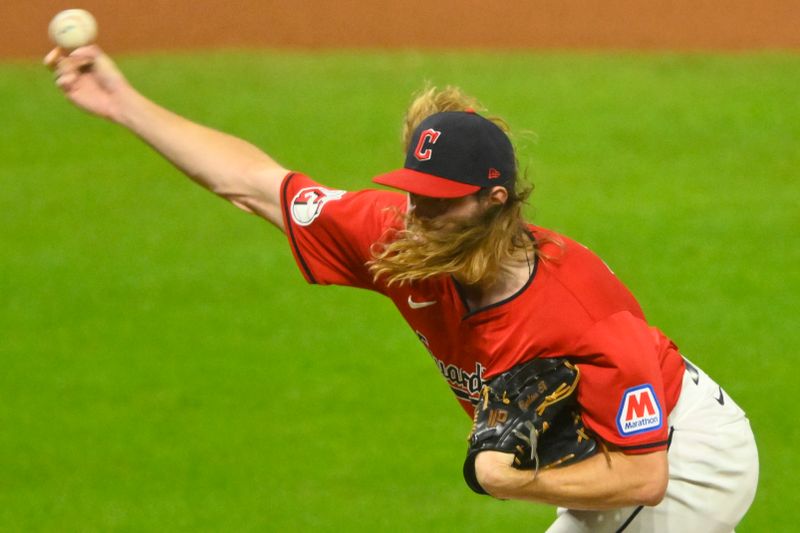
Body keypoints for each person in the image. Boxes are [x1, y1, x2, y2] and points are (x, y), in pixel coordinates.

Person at [46, 45, 759, 532]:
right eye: (414, 192)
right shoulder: (398, 237)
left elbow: (643, 477)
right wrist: (123, 102)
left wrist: (511, 480)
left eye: (441, 199)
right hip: (623, 463)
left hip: (683, 452)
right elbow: (255, 185)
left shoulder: (581, 309)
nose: (418, 212)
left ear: (495, 199)